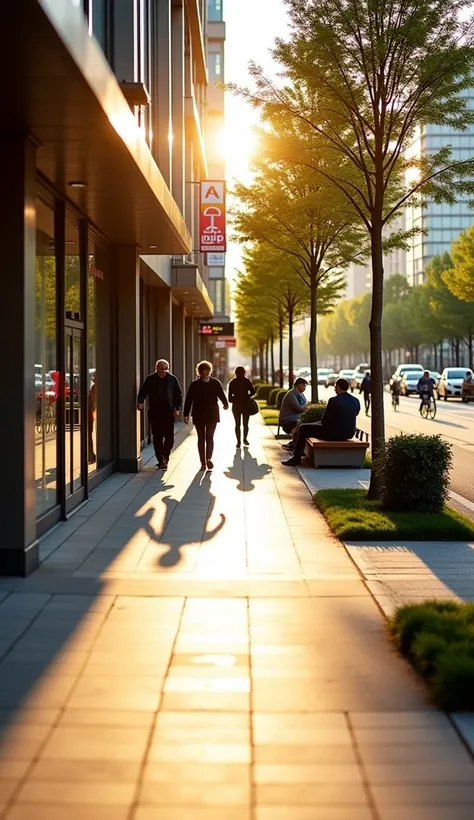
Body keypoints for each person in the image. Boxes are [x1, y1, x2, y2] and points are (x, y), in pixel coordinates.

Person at [282, 377, 360, 466]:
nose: (334, 389)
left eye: (335, 387)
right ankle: (298, 452)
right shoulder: (355, 400)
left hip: (333, 434)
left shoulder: (333, 400)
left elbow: (324, 421)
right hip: (349, 433)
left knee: (303, 428)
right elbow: (356, 413)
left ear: (338, 387)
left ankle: (296, 458)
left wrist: (314, 423)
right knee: (308, 426)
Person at [137, 359, 182, 469]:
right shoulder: (150, 379)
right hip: (155, 413)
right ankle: (161, 460)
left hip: (168, 413)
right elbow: (143, 391)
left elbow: (178, 395)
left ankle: (165, 456)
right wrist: (140, 402)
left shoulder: (172, 379)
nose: (163, 371)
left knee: (169, 438)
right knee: (157, 438)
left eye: (165, 369)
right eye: (161, 369)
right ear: (156, 368)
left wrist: (177, 409)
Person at [183, 360, 229, 470]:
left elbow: (221, 395)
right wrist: (186, 414)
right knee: (201, 438)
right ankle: (202, 462)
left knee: (209, 437)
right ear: (199, 372)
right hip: (198, 414)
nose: (204, 372)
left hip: (212, 414)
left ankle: (208, 459)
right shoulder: (194, 384)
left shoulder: (215, 383)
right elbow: (189, 400)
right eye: (202, 370)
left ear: (209, 371)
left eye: (206, 370)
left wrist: (225, 404)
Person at [228, 366, 255, 447]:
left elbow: (229, 396)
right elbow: (253, 391)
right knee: (245, 424)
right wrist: (247, 396)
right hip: (246, 405)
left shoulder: (232, 382)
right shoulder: (247, 381)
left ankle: (238, 441)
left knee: (237, 424)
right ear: (244, 373)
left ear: (235, 373)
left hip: (236, 406)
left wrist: (234, 399)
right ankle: (245, 439)